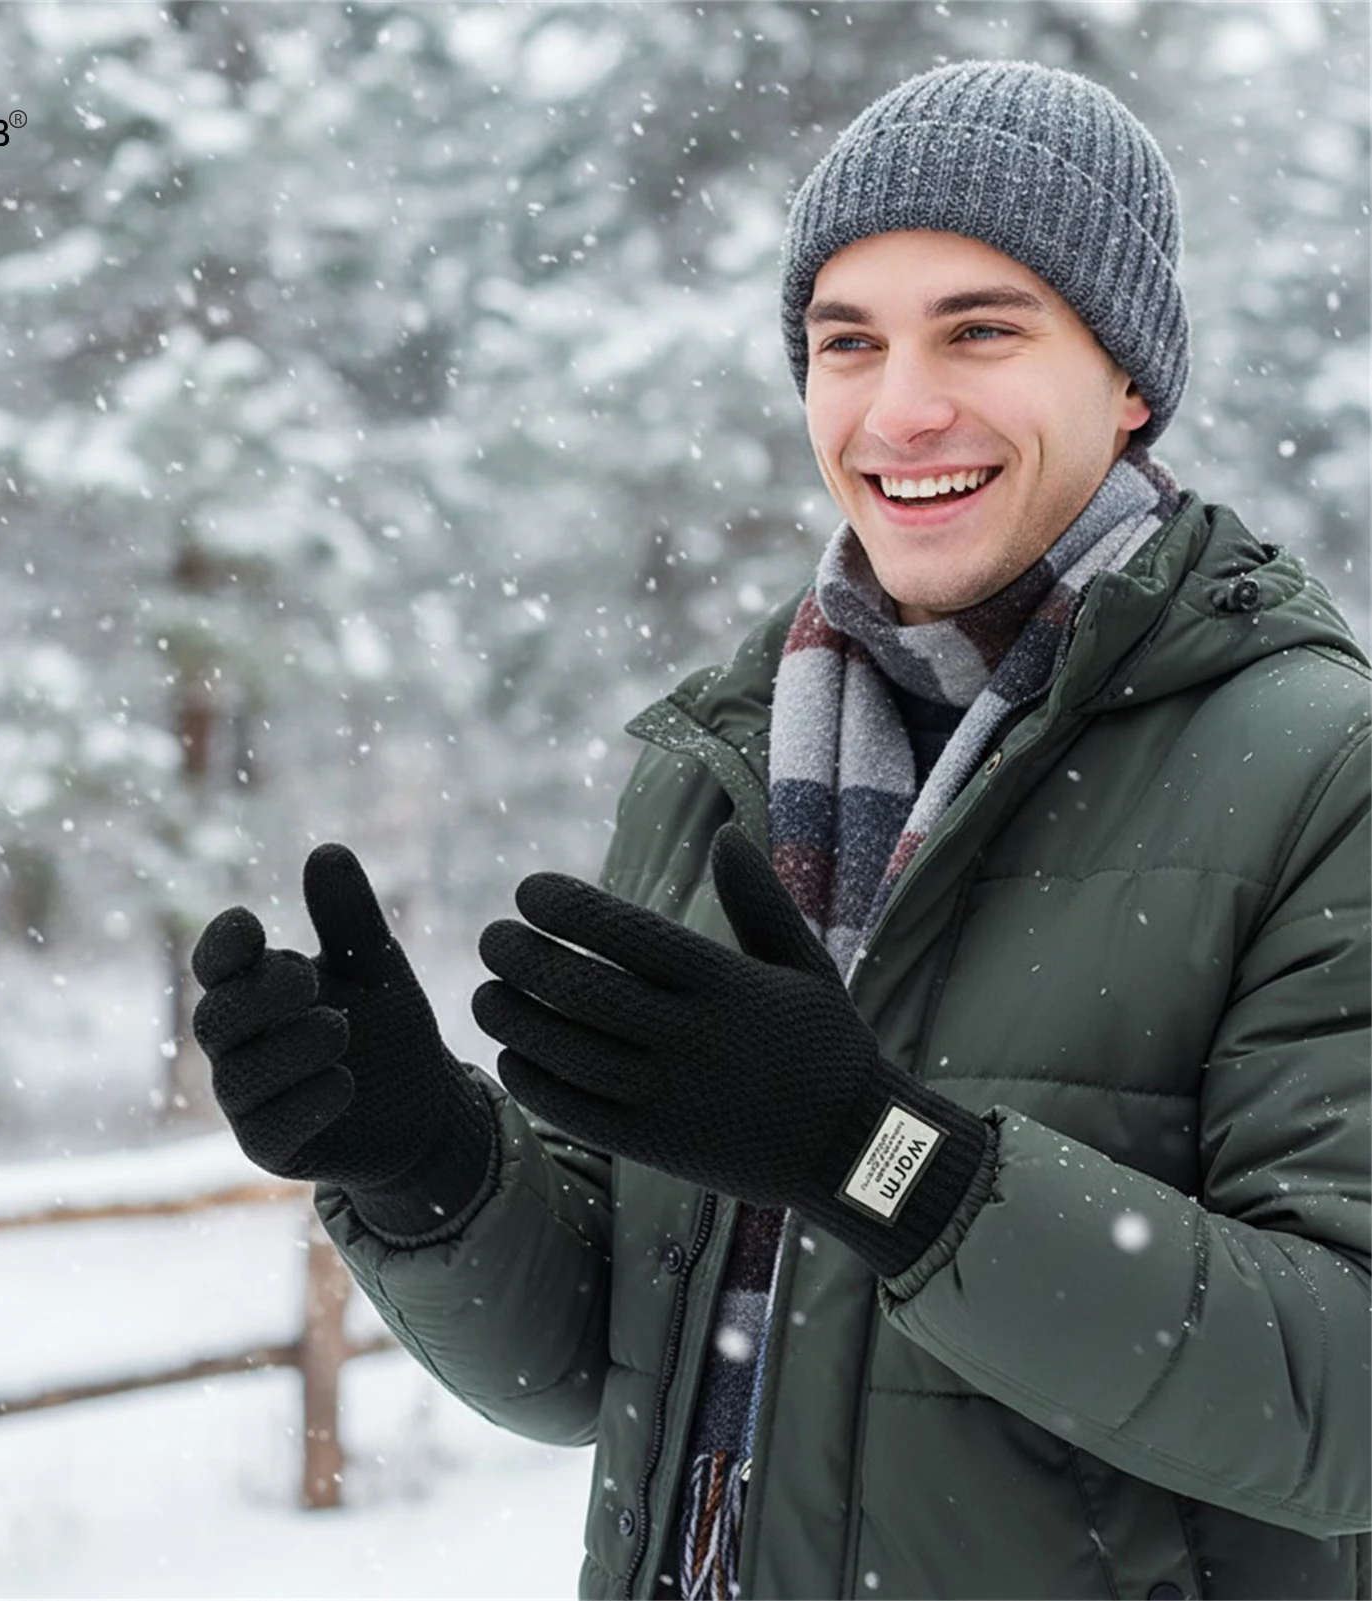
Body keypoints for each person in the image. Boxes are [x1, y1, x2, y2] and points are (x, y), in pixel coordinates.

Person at [190, 60, 1370, 1599]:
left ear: (1130, 380)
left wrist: (876, 1158)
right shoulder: (727, 761)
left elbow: (1343, 1404)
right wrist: (428, 1168)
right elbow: (600, 1363)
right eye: (847, 342)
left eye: (982, 329)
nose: (901, 408)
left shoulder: (1316, 771)